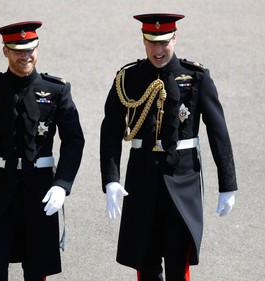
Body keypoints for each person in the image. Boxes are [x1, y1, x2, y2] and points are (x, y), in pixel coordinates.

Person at [100, 13, 237, 281]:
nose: (158, 50)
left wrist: (228, 183)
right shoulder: (128, 78)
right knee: (145, 262)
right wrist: (111, 179)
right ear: (144, 40)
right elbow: (110, 131)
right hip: (141, 182)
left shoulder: (195, 77)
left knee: (178, 264)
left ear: (174, 38)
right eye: (152, 42)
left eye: (164, 42)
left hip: (182, 180)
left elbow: (219, 131)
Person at [0, 21, 85, 281]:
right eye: (18, 50)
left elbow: (74, 140)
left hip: (39, 190)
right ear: (5, 51)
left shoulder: (56, 89)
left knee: (37, 270)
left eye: (30, 50)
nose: (25, 56)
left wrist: (62, 184)